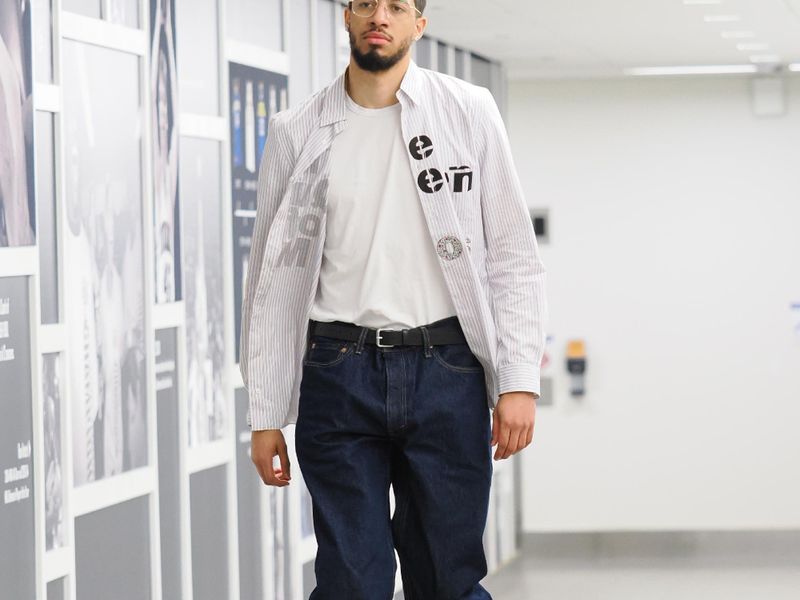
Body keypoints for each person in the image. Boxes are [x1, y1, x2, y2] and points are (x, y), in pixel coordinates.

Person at [240, 1, 548, 598]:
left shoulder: (468, 112)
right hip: (337, 373)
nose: (378, 15)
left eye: (396, 6)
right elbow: (272, 280)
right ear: (348, 18)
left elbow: (513, 254)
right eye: (364, 4)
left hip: (447, 369)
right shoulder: (295, 131)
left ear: (418, 24)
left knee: (447, 579)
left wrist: (518, 382)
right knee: (352, 581)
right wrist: (265, 412)